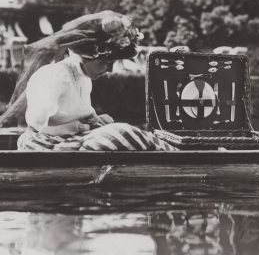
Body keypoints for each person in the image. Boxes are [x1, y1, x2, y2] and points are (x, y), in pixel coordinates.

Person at [0, 10, 175, 151]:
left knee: (123, 131)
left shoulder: (84, 78)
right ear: (85, 56)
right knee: (120, 133)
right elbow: (39, 119)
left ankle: (169, 151)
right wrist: (82, 114)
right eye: (105, 63)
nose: (110, 69)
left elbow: (78, 121)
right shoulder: (54, 75)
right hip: (44, 143)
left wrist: (96, 120)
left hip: (68, 140)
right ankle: (166, 153)